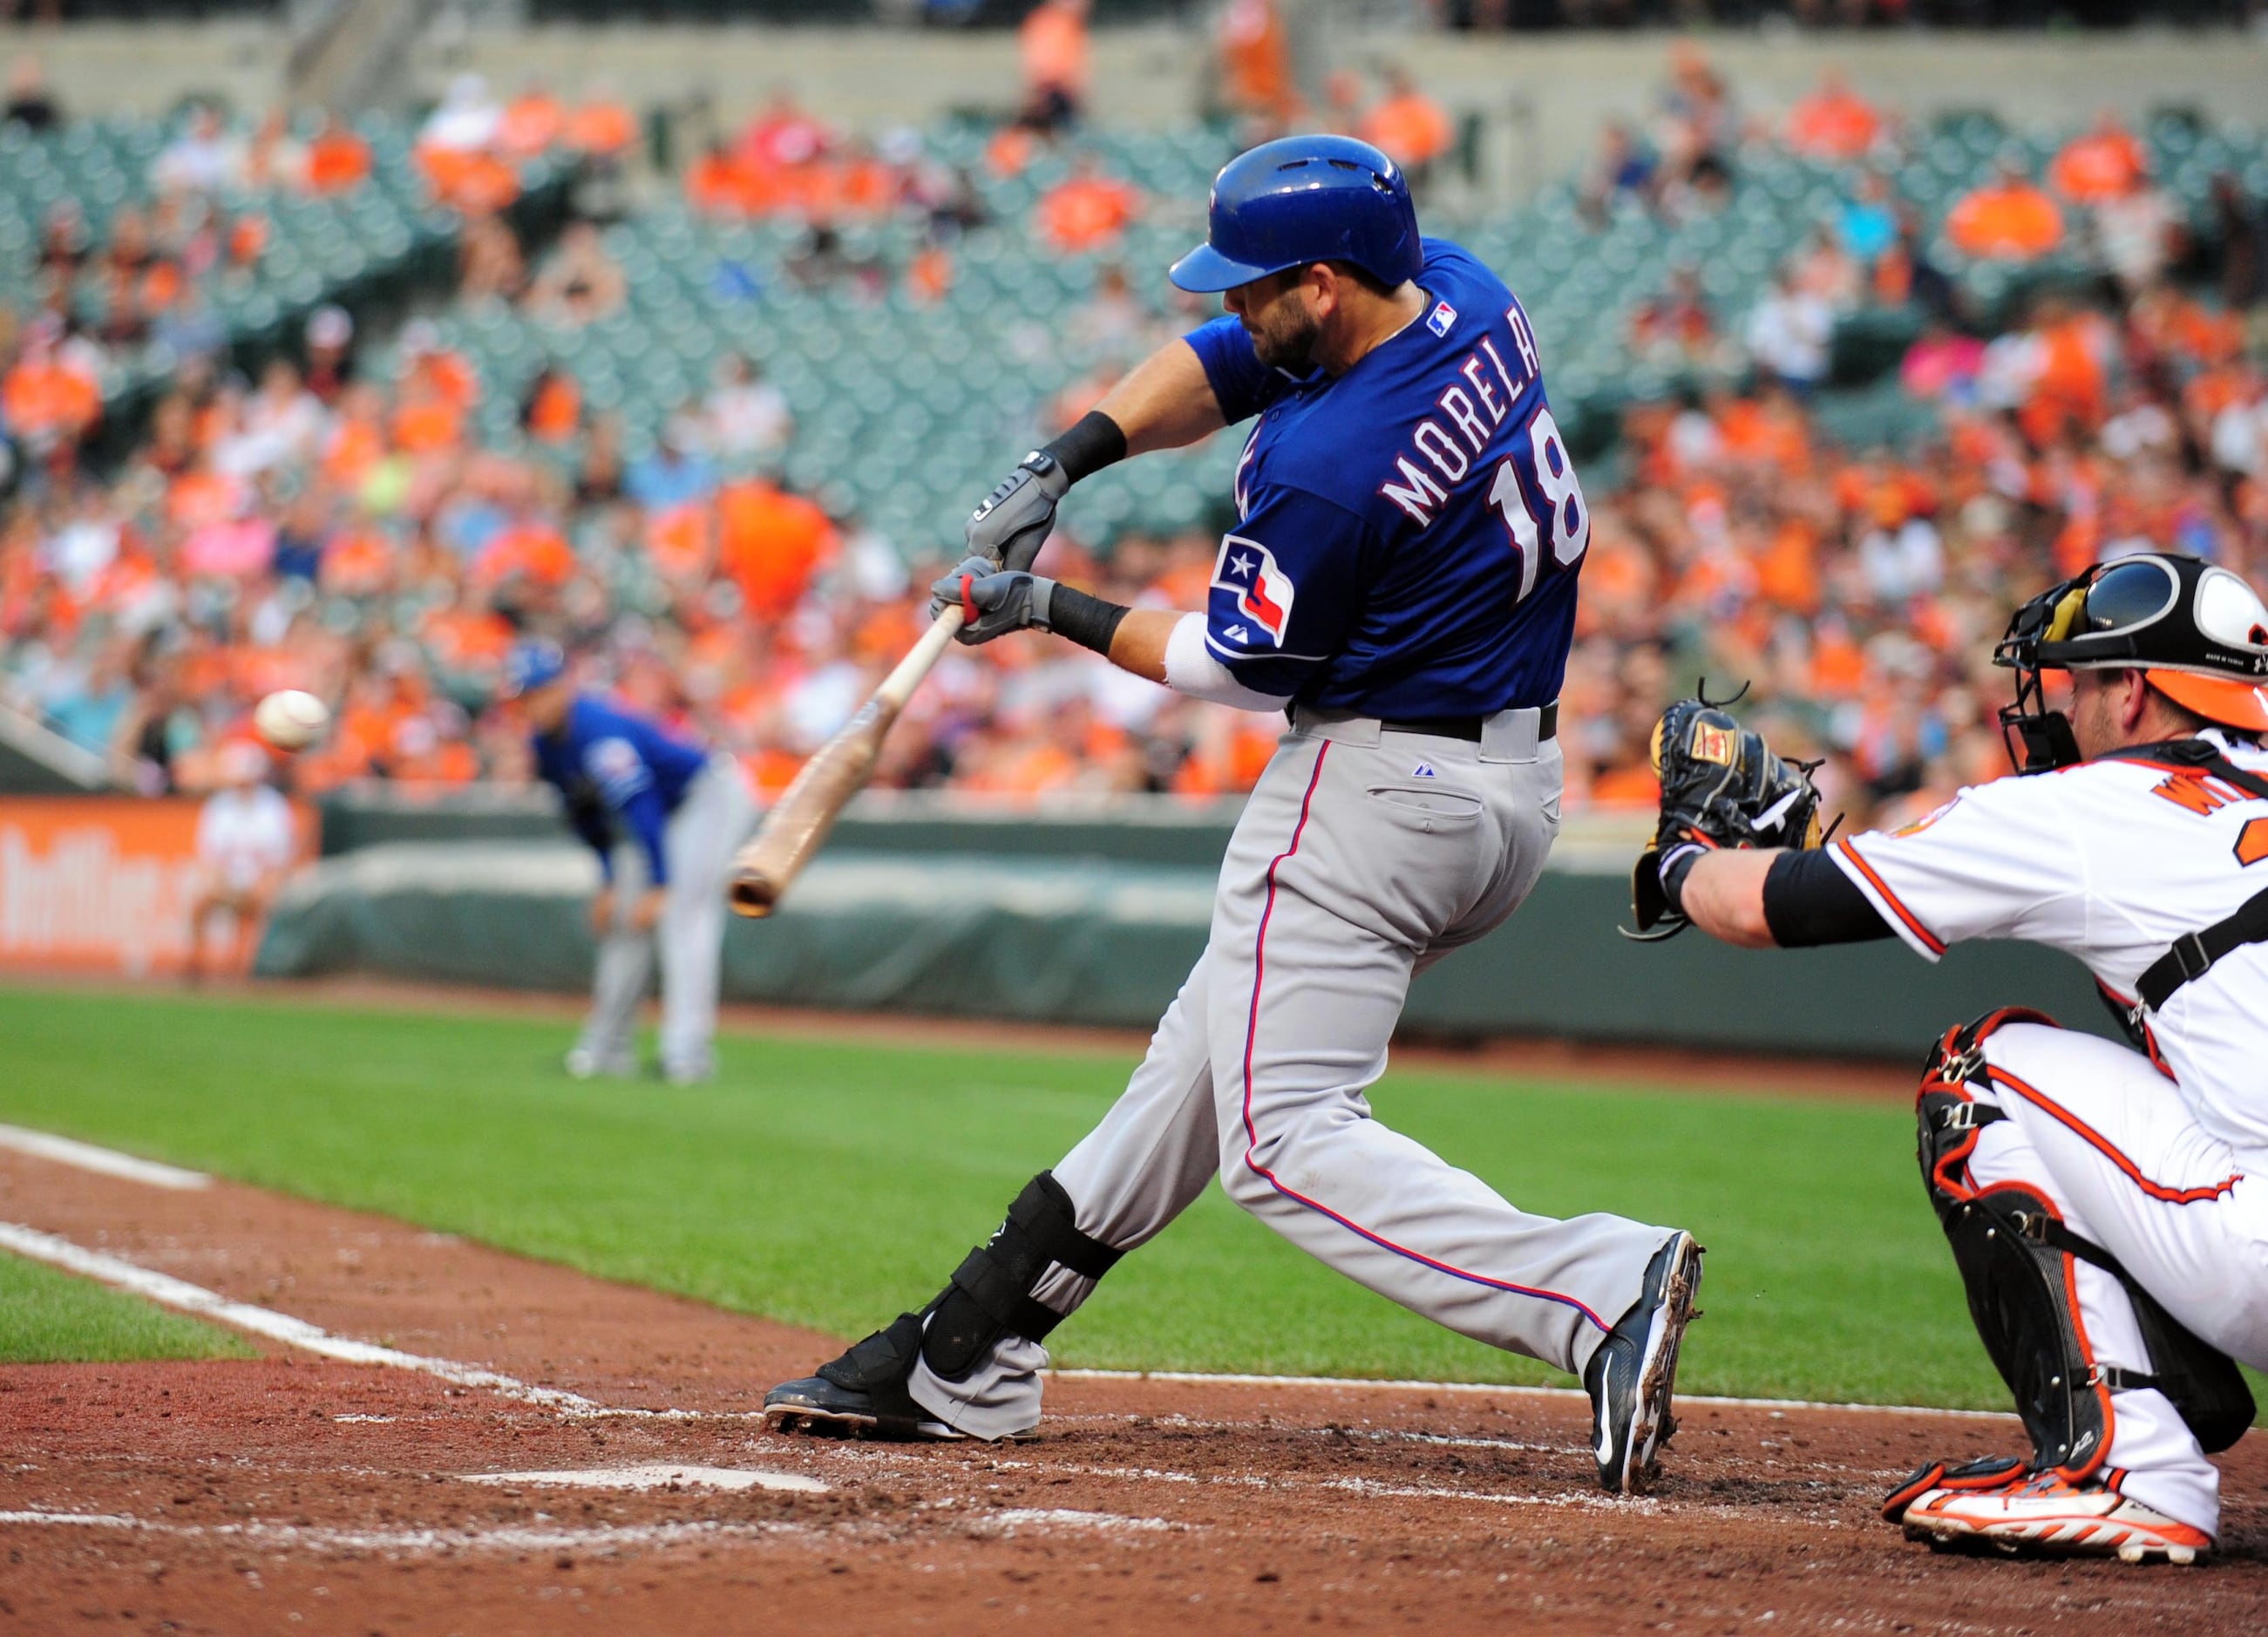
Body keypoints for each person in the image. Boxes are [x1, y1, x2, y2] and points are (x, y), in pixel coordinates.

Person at [762, 134, 1704, 1495]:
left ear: (1321, 282)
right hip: (1503, 792)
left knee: (1281, 1140)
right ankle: (973, 1349)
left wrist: (1047, 609)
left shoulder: (1329, 458)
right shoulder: (1459, 289)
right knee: (1195, 1072)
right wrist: (1068, 458)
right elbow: (1230, 363)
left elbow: (1238, 665)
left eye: (1255, 284)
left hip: (1370, 793)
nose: (1230, 307)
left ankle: (1594, 1288)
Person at [1649, 551, 2268, 1563]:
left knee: (1981, 1069)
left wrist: (1681, 858)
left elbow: (1766, 908)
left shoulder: (2091, 809)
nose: (2060, 703)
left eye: (2078, 679)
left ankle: (2124, 1470)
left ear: (2134, 688)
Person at [505, 641, 757, 1084]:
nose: (534, 704)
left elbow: (642, 805)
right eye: (526, 696)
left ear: (562, 687)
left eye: (540, 691)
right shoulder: (546, 745)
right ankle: (605, 1049)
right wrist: (607, 880)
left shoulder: (597, 727)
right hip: (662, 819)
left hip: (707, 796)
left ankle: (688, 1054)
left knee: (683, 914)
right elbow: (586, 816)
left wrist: (660, 884)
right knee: (626, 921)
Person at [187, 740, 299, 981]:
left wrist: (260, 888)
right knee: (201, 904)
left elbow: (278, 863)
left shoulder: (274, 807)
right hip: (229, 884)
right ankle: (197, 967)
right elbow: (211, 859)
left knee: (265, 903)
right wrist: (222, 886)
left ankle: (250, 969)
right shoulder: (219, 806)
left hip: (260, 885)